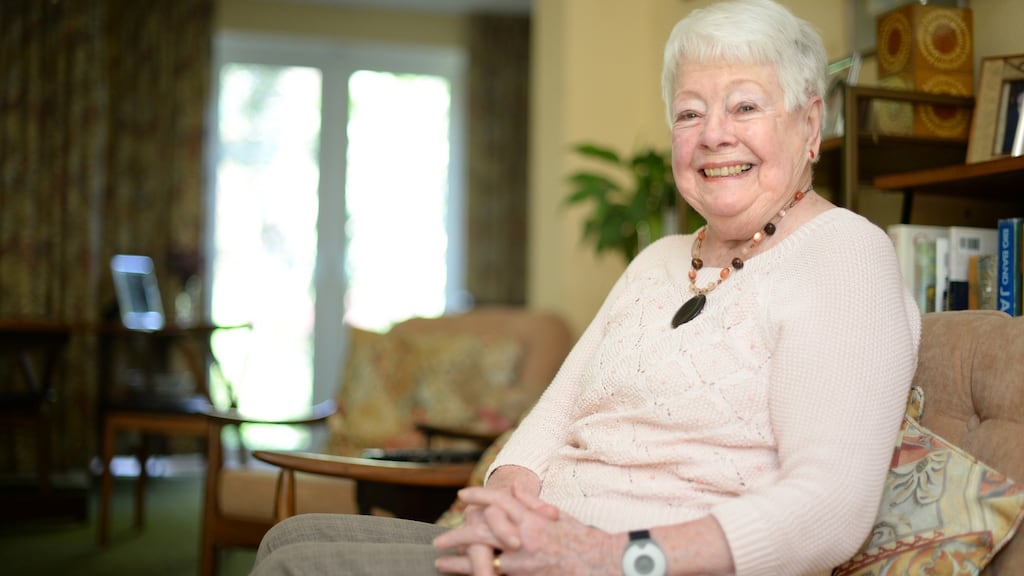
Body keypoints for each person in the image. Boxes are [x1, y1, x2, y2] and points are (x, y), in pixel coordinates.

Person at [251, 0, 921, 574]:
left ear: (810, 125)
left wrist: (613, 555)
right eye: (690, 114)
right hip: (540, 555)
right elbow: (551, 419)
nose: (714, 134)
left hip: (639, 566)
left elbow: (829, 508)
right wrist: (506, 513)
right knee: (292, 536)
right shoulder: (657, 260)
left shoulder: (845, 256)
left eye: (745, 105)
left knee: (295, 565)